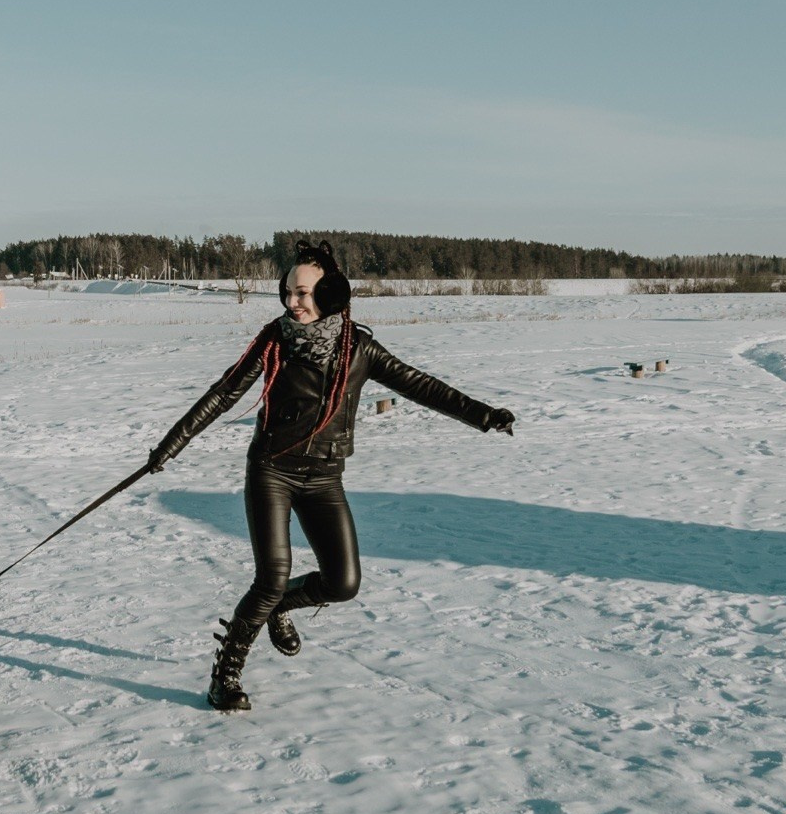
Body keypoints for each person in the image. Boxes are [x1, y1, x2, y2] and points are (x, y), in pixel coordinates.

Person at [146, 241, 513, 711]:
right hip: (272, 471)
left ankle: (280, 607)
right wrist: (171, 445)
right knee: (271, 578)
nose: (292, 303)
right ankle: (226, 674)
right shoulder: (273, 340)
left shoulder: (357, 347)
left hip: (323, 478)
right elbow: (223, 394)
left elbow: (420, 385)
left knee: (342, 583)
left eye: (302, 294)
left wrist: (483, 415)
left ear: (332, 295)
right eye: (288, 292)